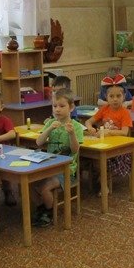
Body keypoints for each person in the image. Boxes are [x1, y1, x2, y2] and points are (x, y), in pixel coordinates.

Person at [32, 89, 85, 228]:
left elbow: (75, 150)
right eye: (55, 106)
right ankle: (41, 208)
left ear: (71, 108)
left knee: (44, 188)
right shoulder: (50, 123)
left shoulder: (76, 126)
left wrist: (72, 134)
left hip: (67, 170)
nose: (57, 109)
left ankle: (49, 212)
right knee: (30, 184)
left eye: (62, 106)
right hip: (49, 166)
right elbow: (39, 142)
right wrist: (49, 129)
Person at [84, 83, 133, 192]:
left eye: (118, 96)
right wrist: (90, 128)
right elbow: (88, 121)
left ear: (124, 97)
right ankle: (101, 180)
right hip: (104, 144)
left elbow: (124, 132)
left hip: (119, 148)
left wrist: (109, 132)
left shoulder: (125, 112)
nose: (115, 99)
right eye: (111, 96)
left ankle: (103, 184)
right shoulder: (104, 109)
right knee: (94, 156)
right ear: (106, 97)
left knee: (100, 160)